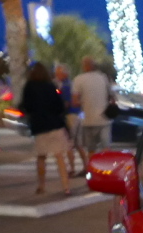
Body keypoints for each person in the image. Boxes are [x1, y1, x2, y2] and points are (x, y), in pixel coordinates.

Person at [17, 62, 71, 195]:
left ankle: (41, 185)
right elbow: (59, 106)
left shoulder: (29, 87)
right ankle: (66, 187)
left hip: (39, 126)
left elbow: (25, 106)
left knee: (41, 157)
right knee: (59, 156)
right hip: (54, 124)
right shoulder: (50, 86)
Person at [72, 56, 113, 169]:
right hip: (104, 119)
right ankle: (107, 170)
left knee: (91, 149)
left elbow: (75, 102)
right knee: (106, 147)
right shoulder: (103, 77)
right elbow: (111, 97)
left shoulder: (78, 79)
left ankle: (93, 171)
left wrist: (85, 102)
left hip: (88, 119)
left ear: (84, 66)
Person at [55, 64, 82, 176]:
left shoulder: (65, 87)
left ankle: (72, 169)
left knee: (69, 144)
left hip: (70, 116)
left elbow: (66, 103)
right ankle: (85, 166)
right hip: (77, 115)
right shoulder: (71, 84)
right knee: (77, 144)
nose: (57, 75)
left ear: (64, 74)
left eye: (58, 73)